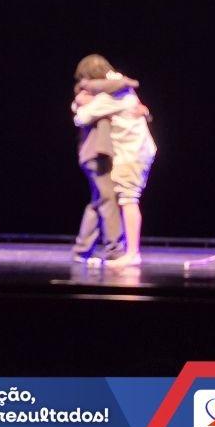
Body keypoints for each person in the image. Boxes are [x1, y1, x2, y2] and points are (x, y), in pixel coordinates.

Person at [73, 55, 156, 268]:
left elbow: (82, 117)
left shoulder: (110, 95)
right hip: (126, 151)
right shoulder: (120, 89)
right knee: (106, 199)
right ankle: (98, 249)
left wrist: (81, 104)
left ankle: (127, 252)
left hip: (129, 153)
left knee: (124, 199)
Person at [70, 57, 126, 264]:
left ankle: (82, 249)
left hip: (93, 154)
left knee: (99, 200)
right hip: (96, 153)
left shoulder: (97, 93)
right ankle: (114, 248)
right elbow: (121, 85)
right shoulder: (89, 93)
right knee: (108, 199)